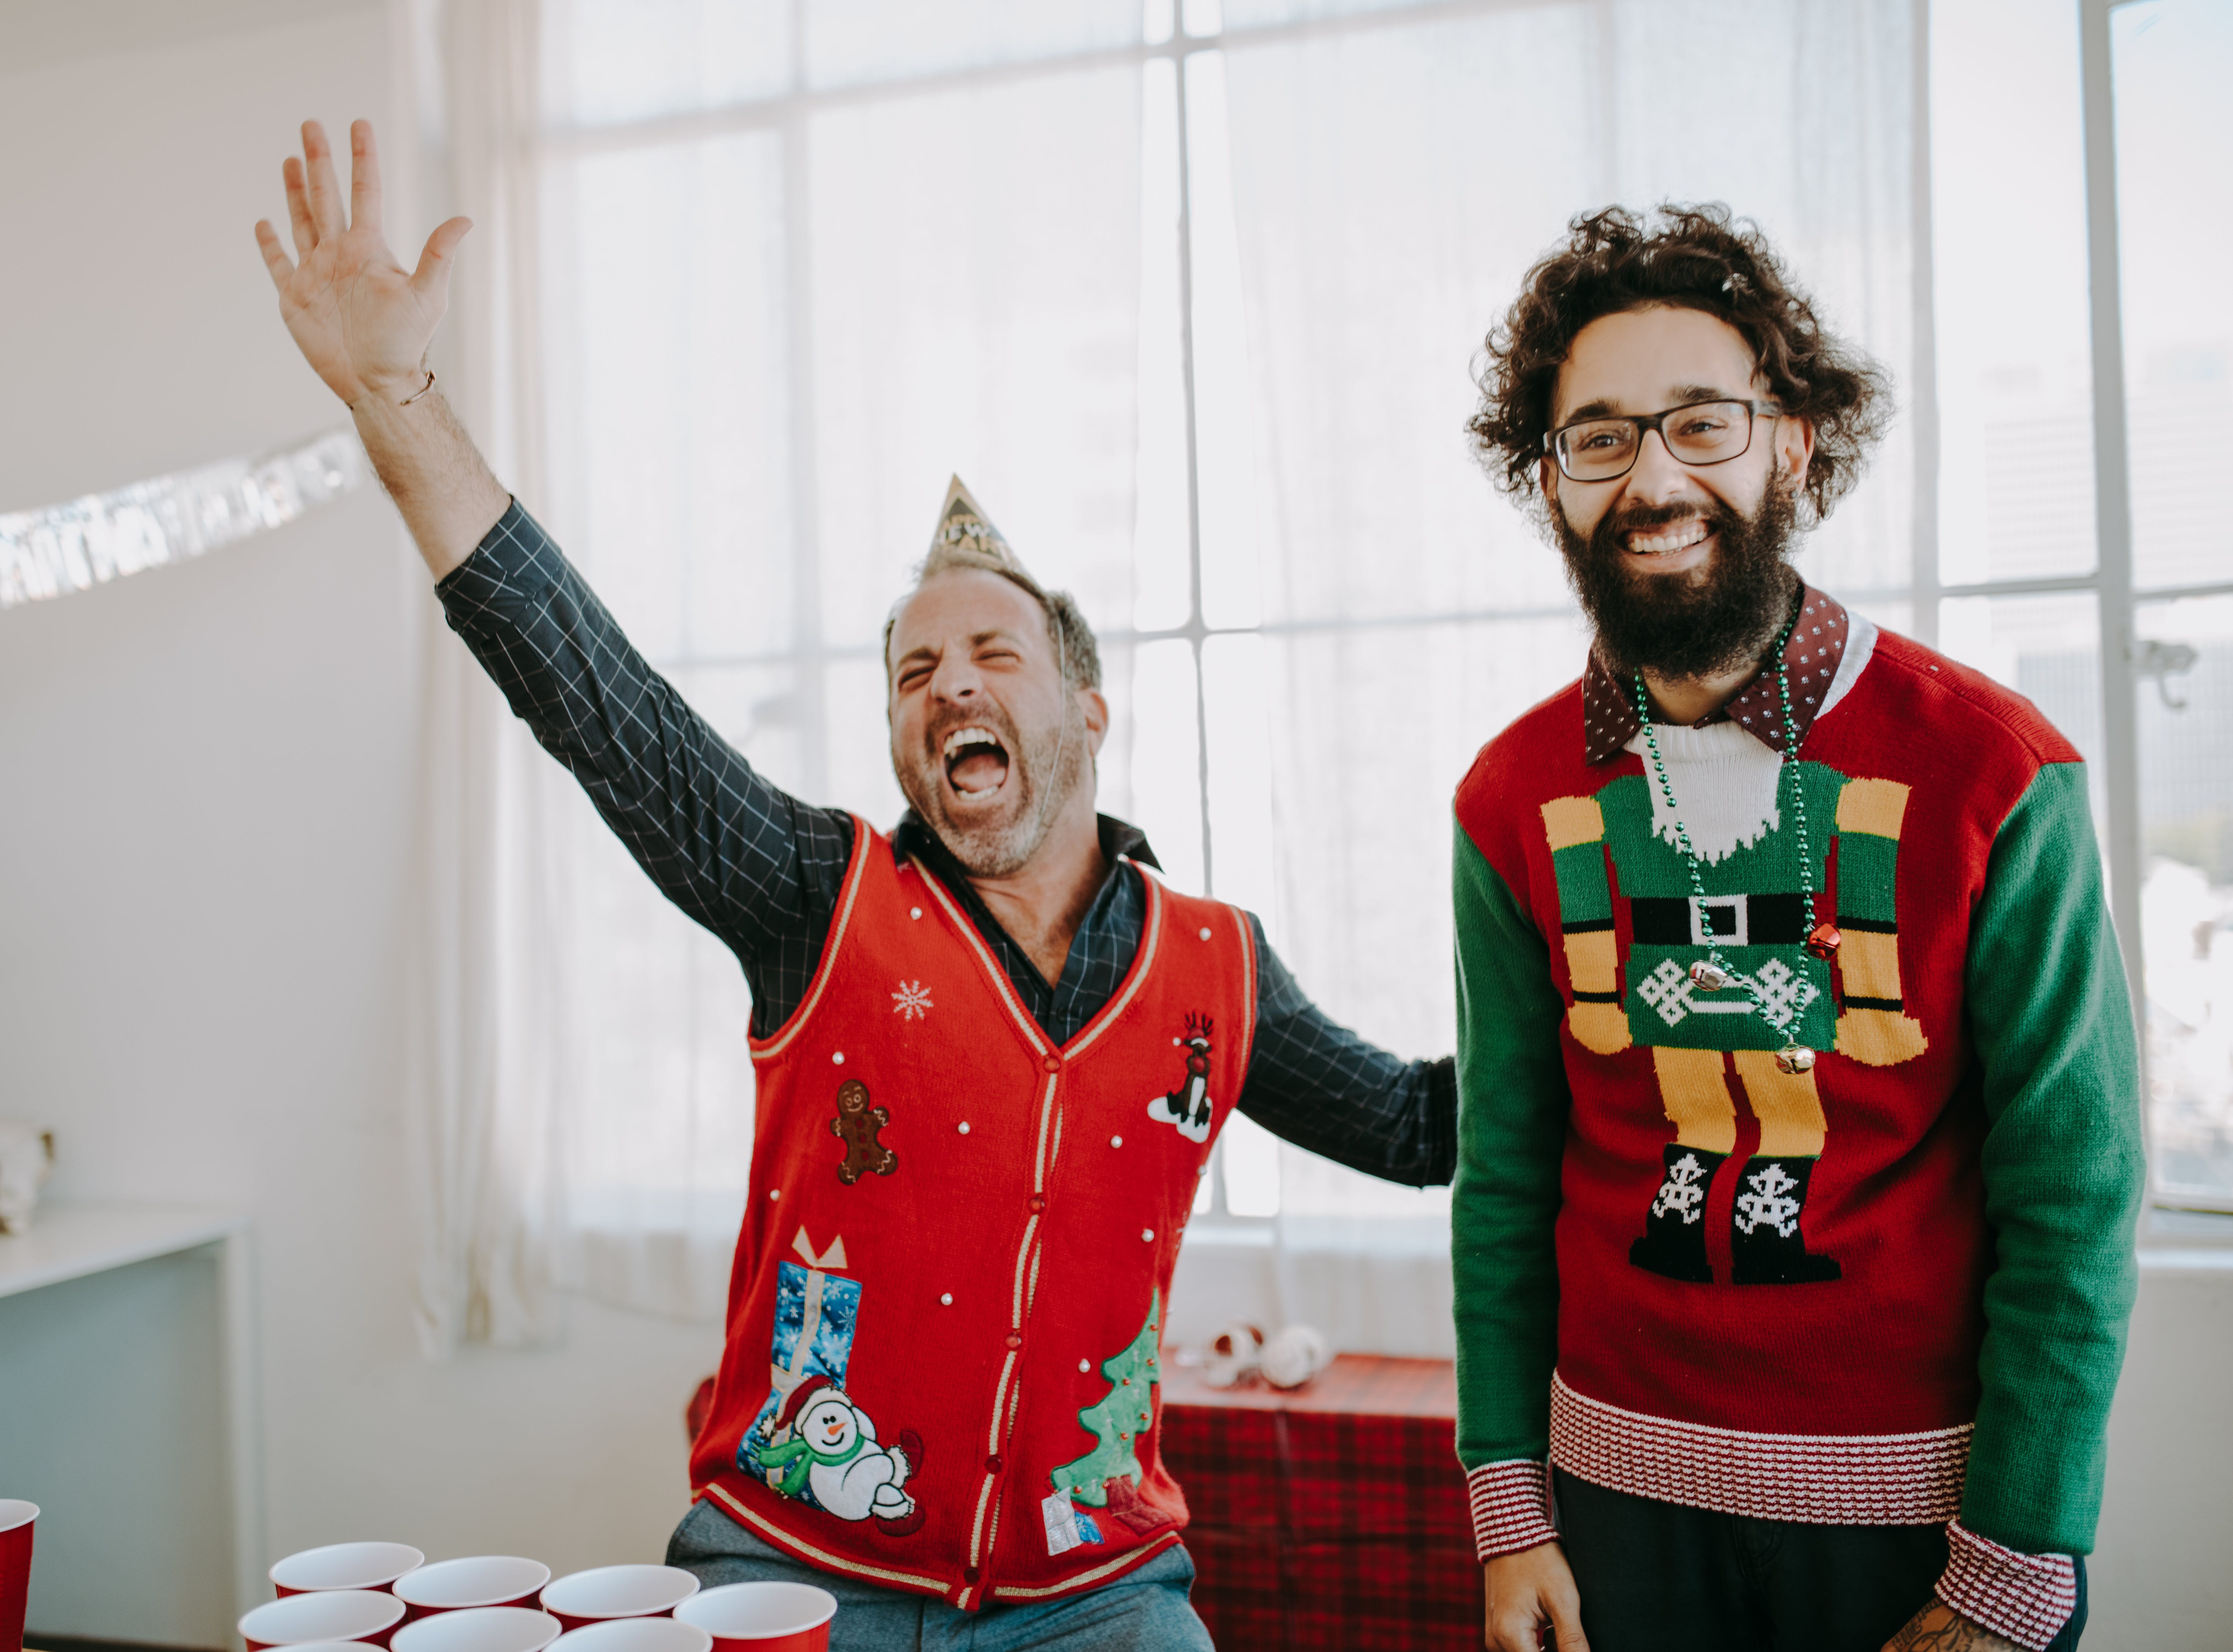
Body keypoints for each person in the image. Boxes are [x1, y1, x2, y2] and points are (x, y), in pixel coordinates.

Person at [253, 119, 1455, 1650]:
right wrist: (393, 396)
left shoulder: (1215, 969)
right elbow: (591, 693)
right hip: (785, 1567)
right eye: (913, 670)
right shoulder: (819, 897)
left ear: (1087, 709)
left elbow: (1426, 1125)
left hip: (1097, 1598)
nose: (948, 685)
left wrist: (1651, 1004)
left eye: (993, 654)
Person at [1447, 202, 2142, 1652]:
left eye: (1704, 421)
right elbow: (1503, 1174)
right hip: (1607, 1521)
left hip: (1925, 1531)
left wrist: (2012, 1560)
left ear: (1794, 441)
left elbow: (2074, 1194)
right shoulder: (1506, 794)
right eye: (1601, 437)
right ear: (1553, 483)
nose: (1654, 476)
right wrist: (1510, 1509)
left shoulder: (2000, 770)